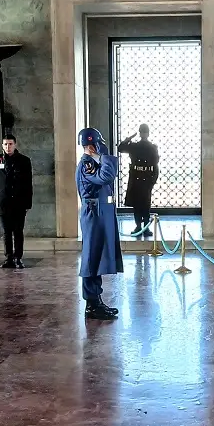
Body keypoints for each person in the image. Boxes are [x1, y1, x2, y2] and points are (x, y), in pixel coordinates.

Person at [77, 127, 122, 320]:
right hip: (93, 213)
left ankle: (96, 301)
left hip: (99, 213)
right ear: (93, 144)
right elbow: (105, 177)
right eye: (99, 143)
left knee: (97, 258)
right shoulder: (87, 164)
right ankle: (92, 304)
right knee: (91, 258)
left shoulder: (94, 162)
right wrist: (105, 156)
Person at [0, 133, 33, 269]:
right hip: (3, 202)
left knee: (18, 231)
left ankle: (18, 258)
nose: (8, 147)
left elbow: (28, 183)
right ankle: (8, 257)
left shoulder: (24, 160)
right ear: (2, 145)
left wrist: (28, 203)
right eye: (5, 144)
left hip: (19, 202)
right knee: (6, 232)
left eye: (10, 144)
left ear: (15, 145)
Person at [117, 123, 159, 237]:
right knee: (137, 204)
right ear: (140, 133)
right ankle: (138, 226)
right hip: (136, 177)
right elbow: (120, 148)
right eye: (142, 132)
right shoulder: (134, 146)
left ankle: (145, 227)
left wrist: (153, 180)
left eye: (145, 132)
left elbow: (155, 165)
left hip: (146, 178)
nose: (144, 134)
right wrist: (129, 138)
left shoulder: (152, 147)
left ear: (148, 133)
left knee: (146, 204)